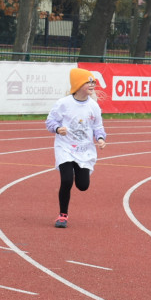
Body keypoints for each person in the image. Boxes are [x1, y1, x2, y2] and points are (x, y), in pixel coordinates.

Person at [45, 68, 106, 228]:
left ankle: (76, 171)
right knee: (66, 180)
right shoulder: (63, 104)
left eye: (93, 82)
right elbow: (50, 122)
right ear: (79, 85)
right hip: (64, 147)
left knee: (83, 185)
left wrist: (100, 138)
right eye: (88, 82)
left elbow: (98, 127)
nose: (92, 85)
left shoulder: (94, 106)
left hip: (84, 150)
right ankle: (62, 215)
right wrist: (58, 129)